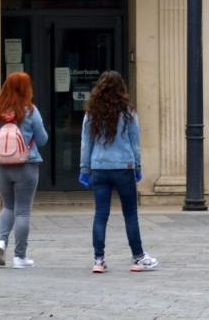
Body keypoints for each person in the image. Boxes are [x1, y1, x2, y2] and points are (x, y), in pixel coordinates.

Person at [79, 71, 159, 273]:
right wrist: (138, 168)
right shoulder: (128, 113)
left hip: (99, 167)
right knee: (130, 214)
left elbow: (85, 144)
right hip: (124, 167)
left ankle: (98, 260)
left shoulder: (91, 114)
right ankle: (138, 257)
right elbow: (136, 143)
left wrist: (84, 169)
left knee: (100, 214)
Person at [0, 72, 49, 269]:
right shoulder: (30, 110)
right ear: (26, 88)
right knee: (23, 212)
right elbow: (43, 139)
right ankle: (20, 257)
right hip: (26, 166)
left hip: (1, 167)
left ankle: (0, 242)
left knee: (8, 206)